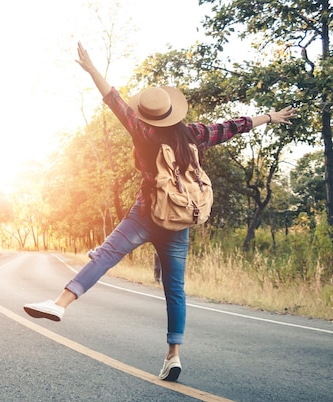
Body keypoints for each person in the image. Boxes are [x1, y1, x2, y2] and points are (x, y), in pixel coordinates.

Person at [24, 42, 297, 382]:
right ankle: (174, 355)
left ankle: (60, 304)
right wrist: (270, 116)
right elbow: (234, 125)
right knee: (175, 289)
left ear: (148, 114)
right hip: (179, 219)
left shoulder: (142, 130)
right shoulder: (195, 134)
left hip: (146, 213)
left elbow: (114, 100)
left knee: (106, 255)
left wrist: (92, 69)